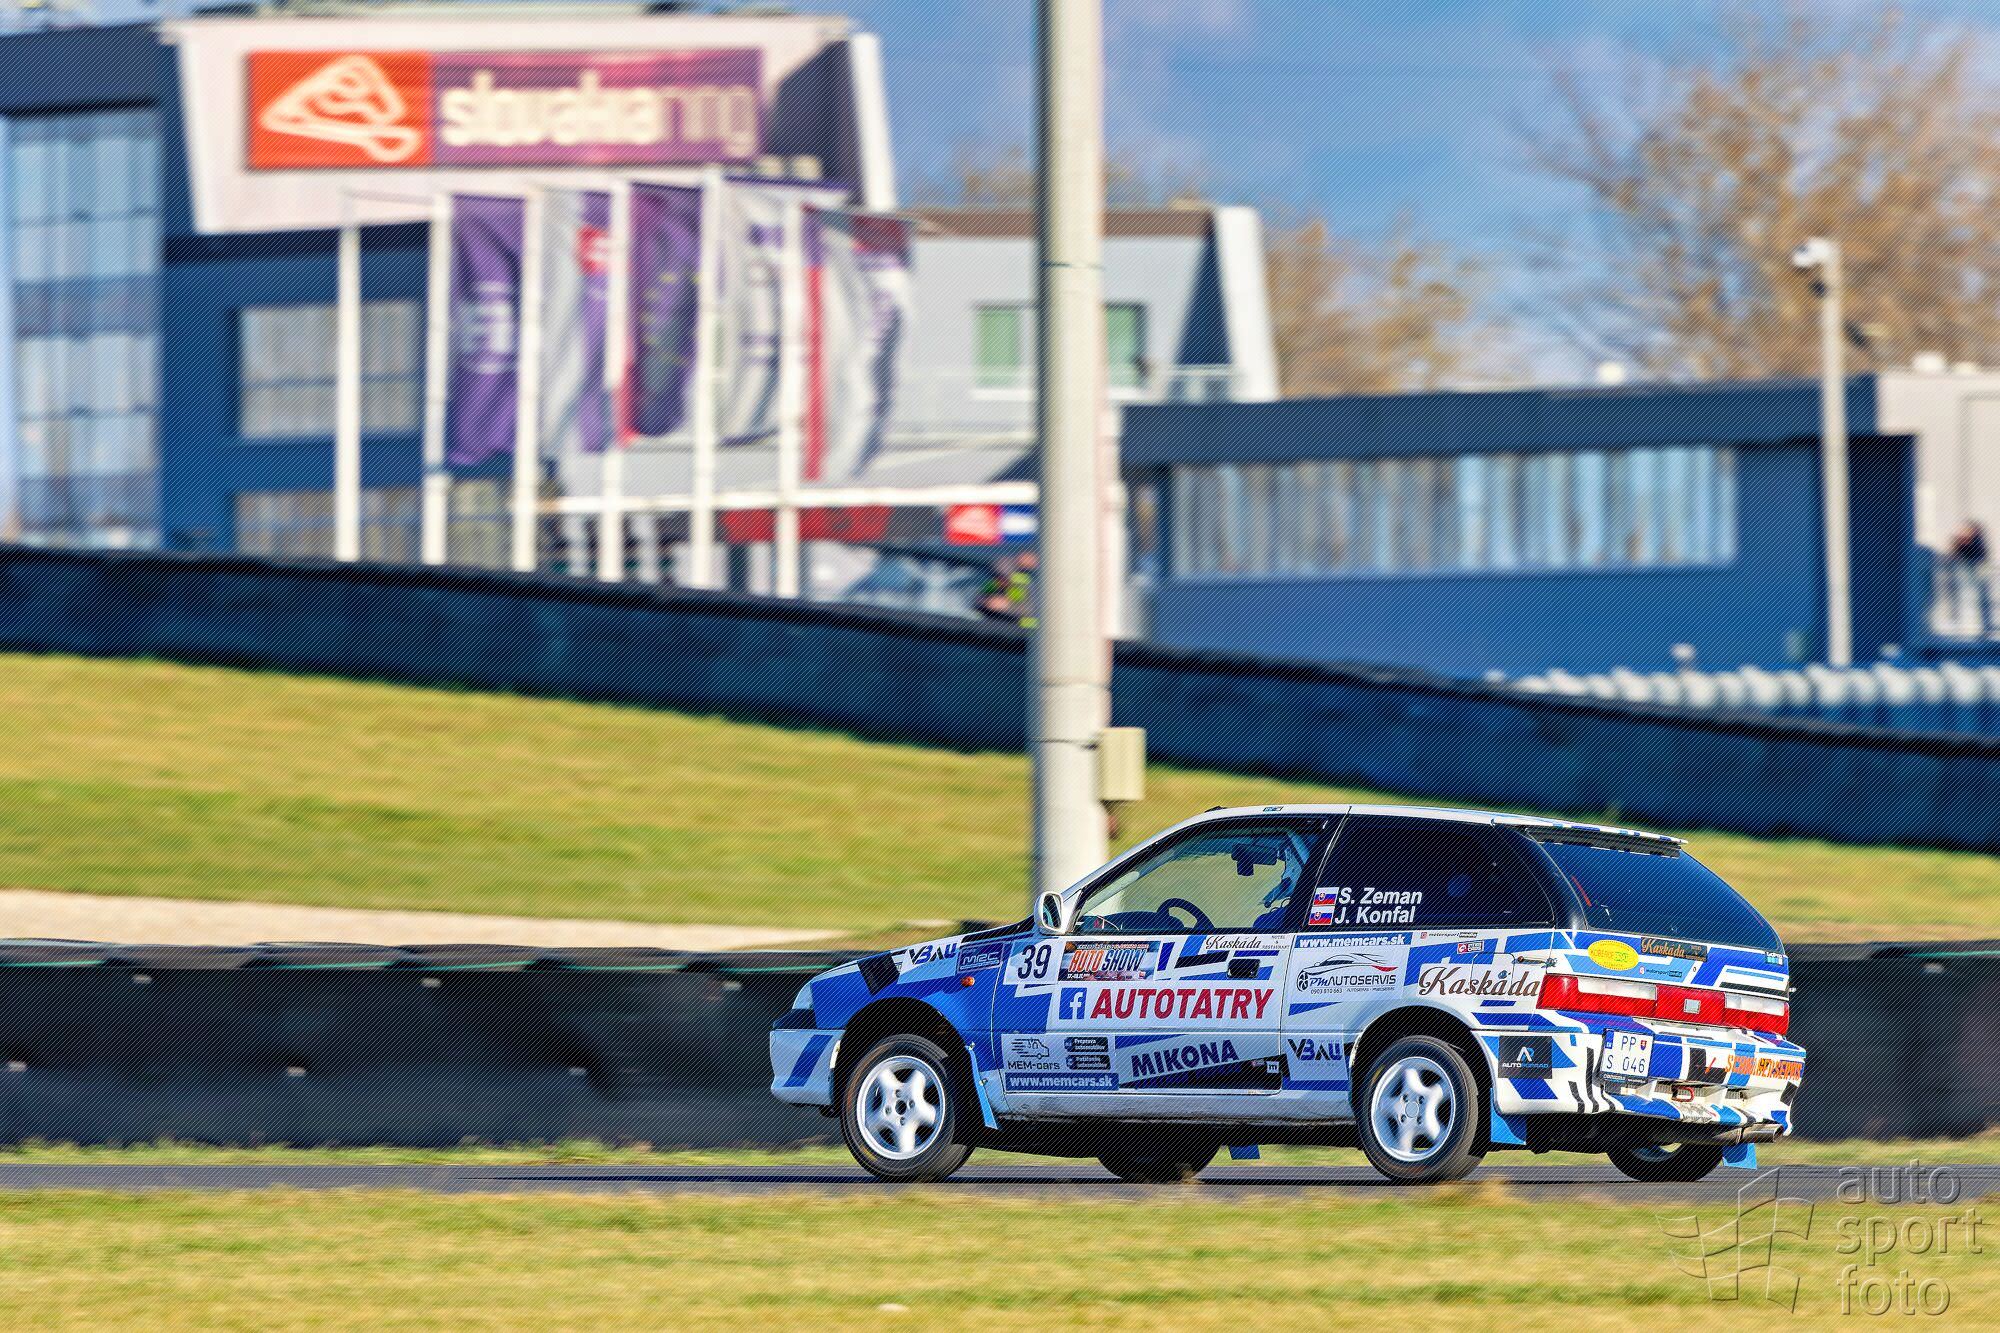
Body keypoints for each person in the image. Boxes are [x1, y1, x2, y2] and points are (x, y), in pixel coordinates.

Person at [1947, 519, 1990, 636]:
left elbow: (1979, 556)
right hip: (1965, 574)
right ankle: (1960, 621)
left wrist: (1962, 542)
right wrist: (1959, 542)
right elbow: (1955, 555)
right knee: (1967, 599)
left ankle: (1981, 626)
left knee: (1978, 599)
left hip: (1975, 573)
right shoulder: (1964, 542)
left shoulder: (1977, 542)